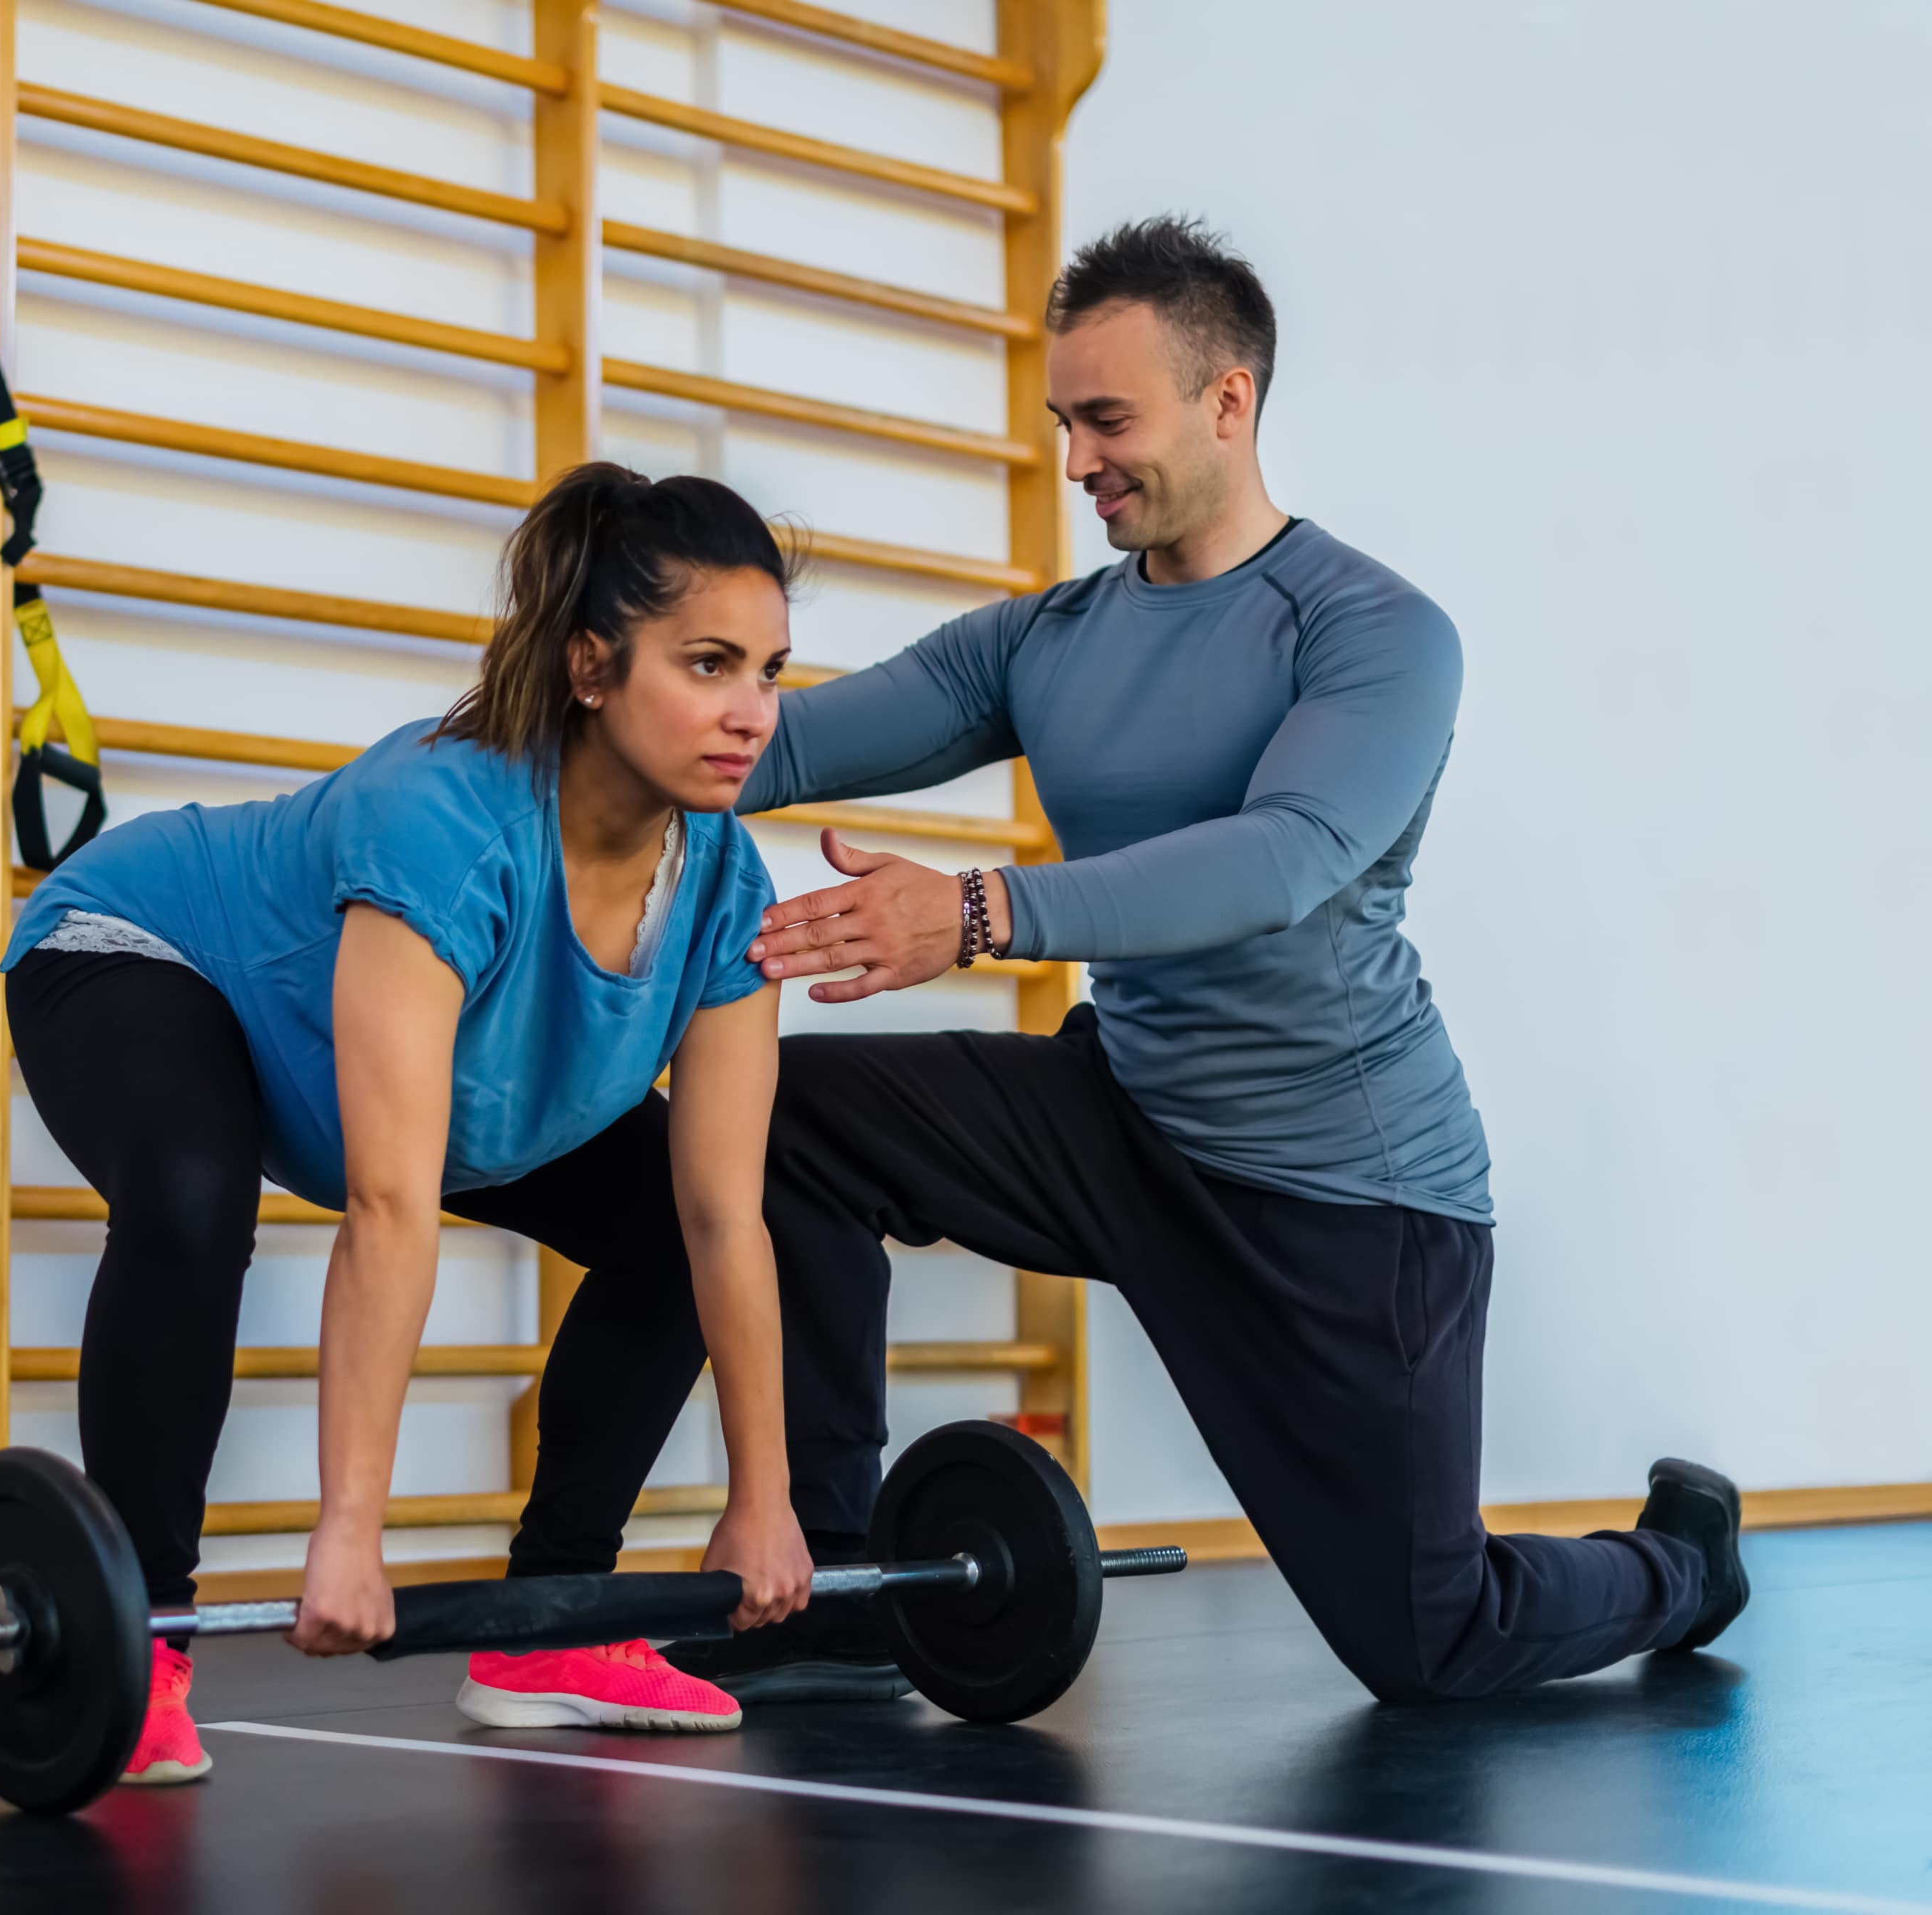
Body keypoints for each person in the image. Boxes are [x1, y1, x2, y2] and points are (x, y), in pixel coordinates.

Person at [644, 216, 1747, 1706]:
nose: (1078, 458)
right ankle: (835, 1572)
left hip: (1340, 1192)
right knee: (787, 1125)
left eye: (1107, 419)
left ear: (1225, 399)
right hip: (1124, 1119)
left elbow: (1282, 860)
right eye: (1061, 424)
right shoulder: (1046, 640)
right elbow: (770, 745)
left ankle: (1683, 1569)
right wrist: (552, 734)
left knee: (1427, 1641)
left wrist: (976, 912)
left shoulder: (1374, 633)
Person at [4, 464, 817, 1787]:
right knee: (196, 1198)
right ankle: (136, 1639)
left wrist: (763, 1499)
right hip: (146, 951)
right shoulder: (447, 824)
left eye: (771, 672)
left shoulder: (724, 883)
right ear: (593, 668)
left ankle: (551, 1630)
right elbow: (391, 1205)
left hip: (382, 1080)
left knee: (666, 1233)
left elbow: (725, 1211)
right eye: (711, 663)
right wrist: (350, 1529)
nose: (751, 714)